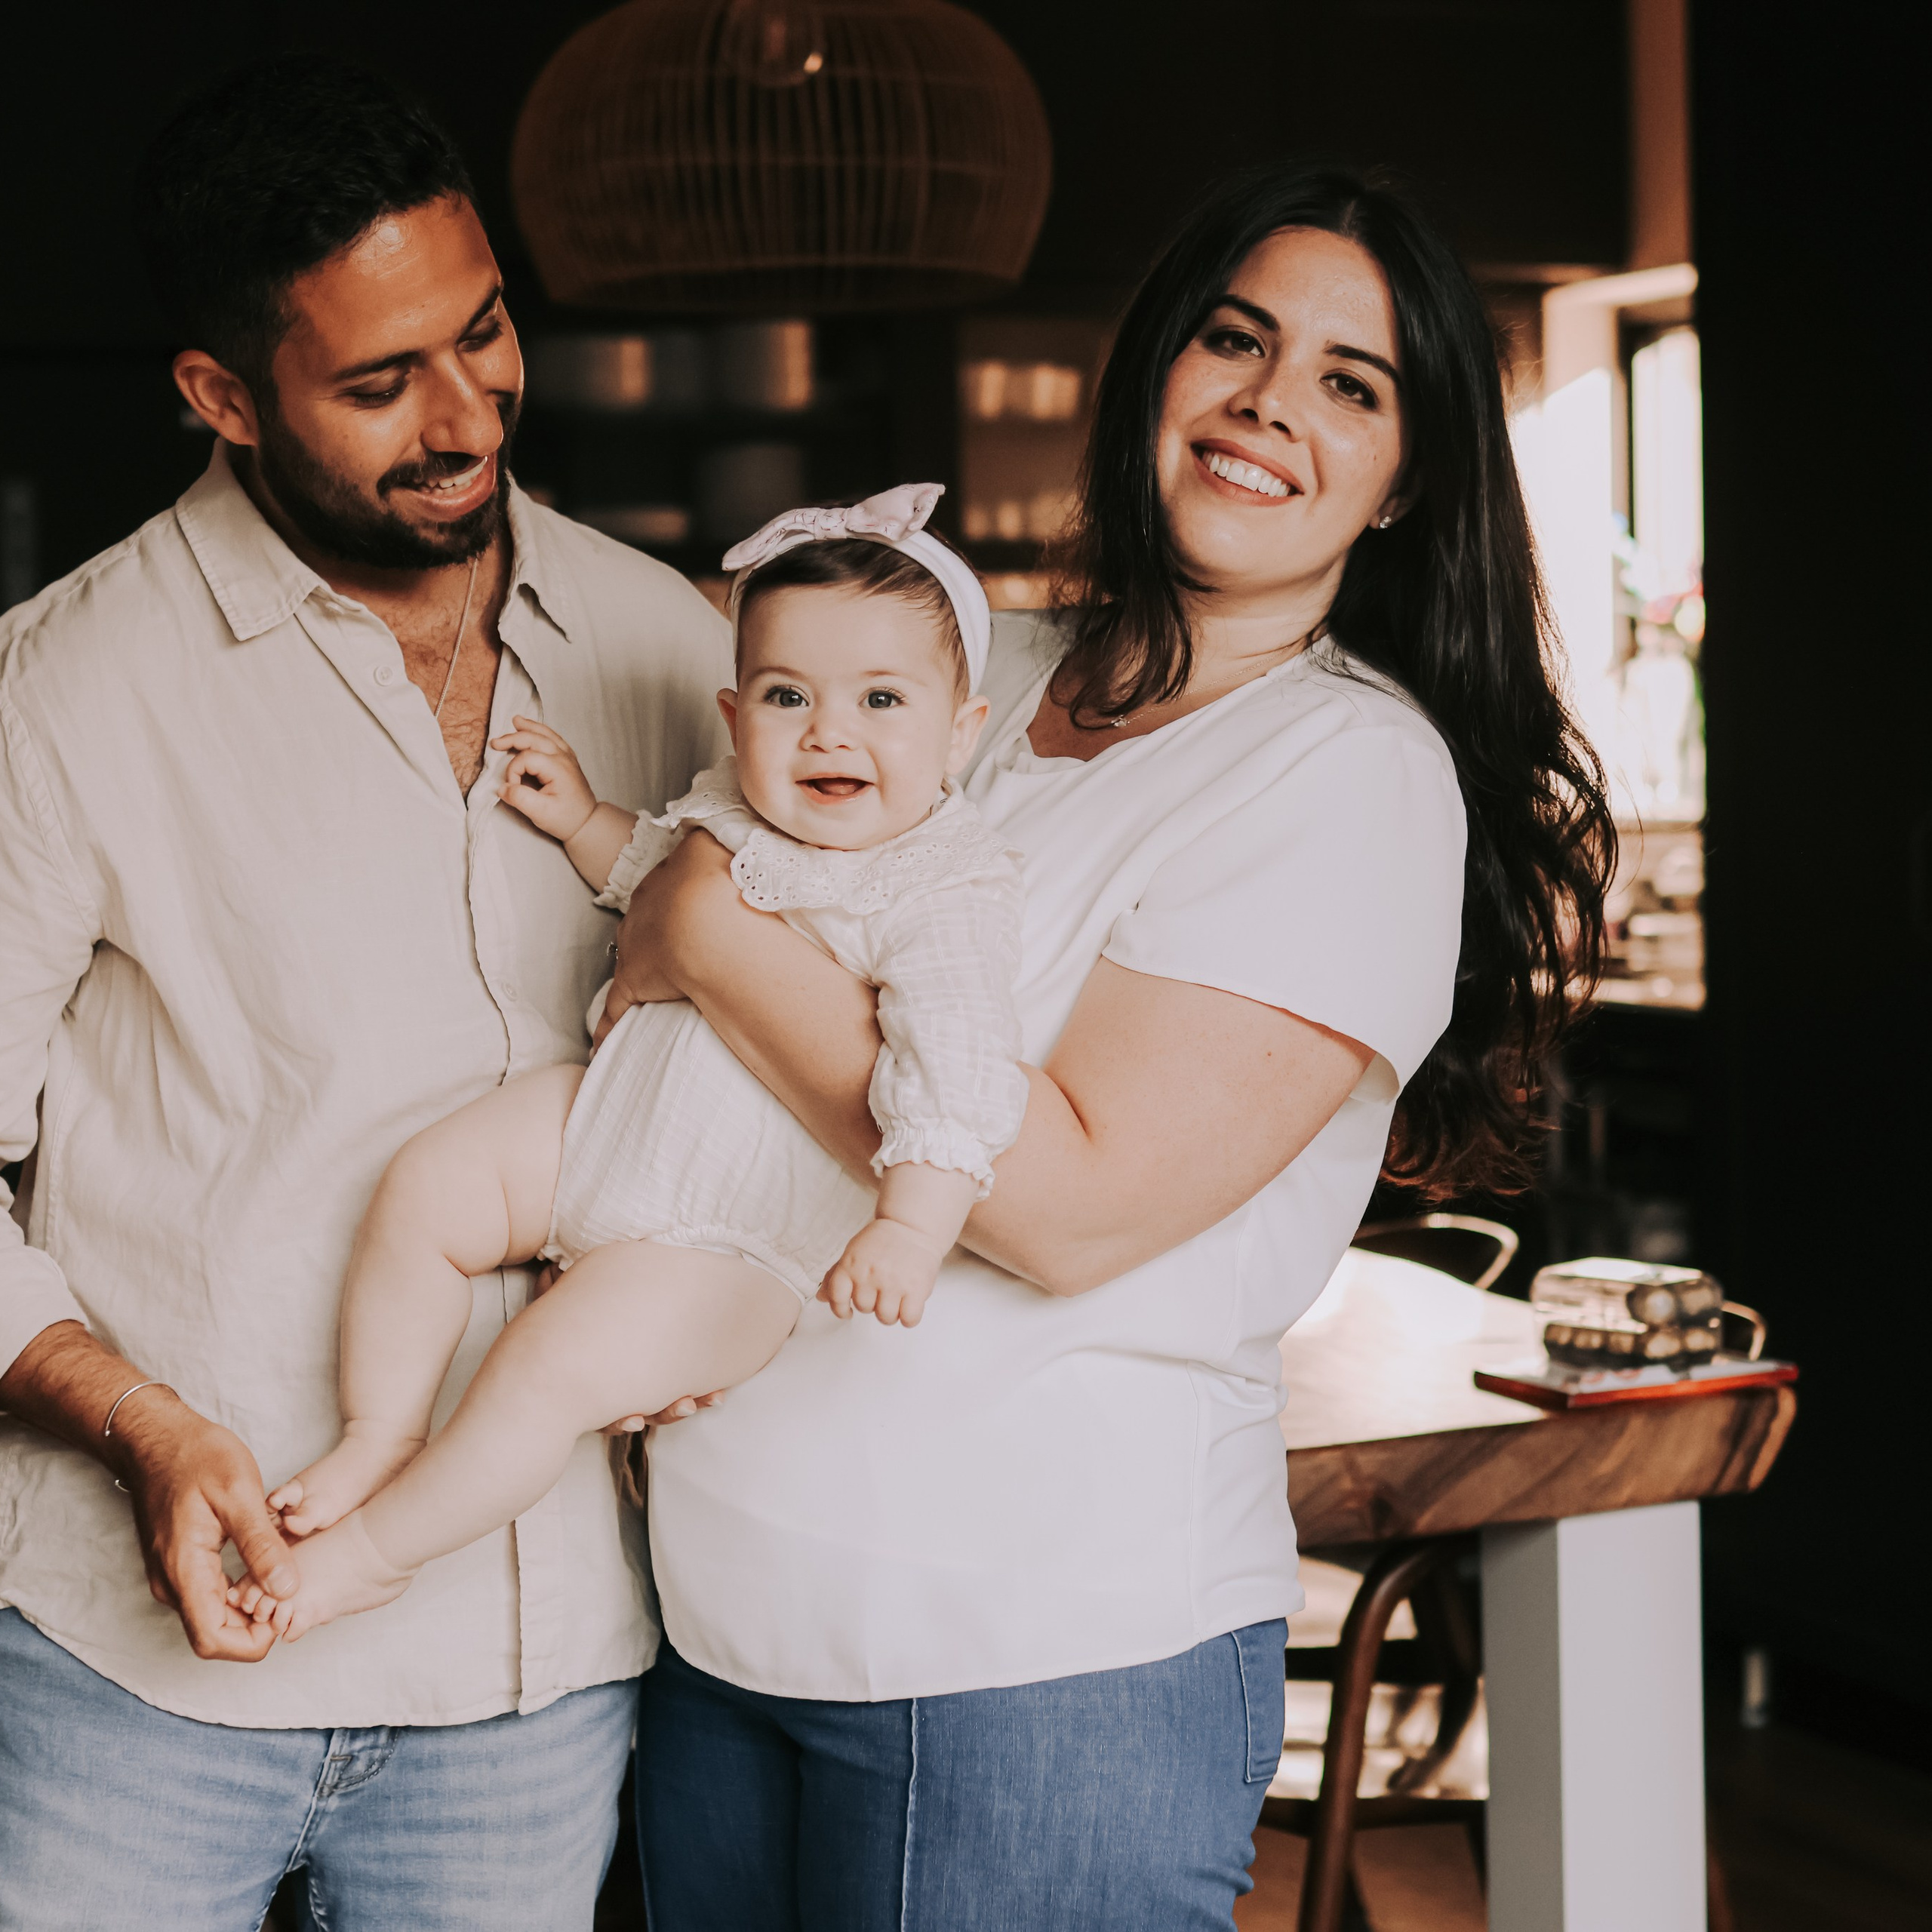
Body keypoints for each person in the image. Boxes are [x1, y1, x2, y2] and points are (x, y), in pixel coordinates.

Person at [606, 162, 1616, 1928]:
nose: (1265, 405)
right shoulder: (971, 660)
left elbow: (1063, 1199)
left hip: (1034, 1668)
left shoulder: (1344, 774)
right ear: (1154, 368)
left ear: (1408, 483)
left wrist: (702, 930)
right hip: (712, 1626)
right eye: (1233, 342)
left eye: (1347, 385)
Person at [0, 57, 728, 1930]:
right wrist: (142, 1427)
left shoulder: (685, 652)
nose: (466, 409)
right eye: (378, 378)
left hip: (544, 1672)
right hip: (131, 1687)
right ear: (221, 396)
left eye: (482, 333)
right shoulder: (60, 692)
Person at [231, 485, 1028, 1641]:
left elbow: (960, 1070)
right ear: (733, 710)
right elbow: (651, 878)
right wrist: (583, 821)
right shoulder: (735, 815)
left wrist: (913, 1224)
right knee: (425, 1186)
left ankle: (373, 1552)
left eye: (883, 700)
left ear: (961, 730)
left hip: (727, 1244)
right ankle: (379, 1432)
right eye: (787, 695)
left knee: (540, 1367)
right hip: (610, 1126)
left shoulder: (944, 885)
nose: (828, 731)